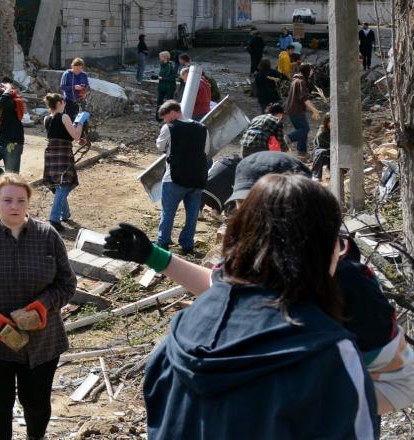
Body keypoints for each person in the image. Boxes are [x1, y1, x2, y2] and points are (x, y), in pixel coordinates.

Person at [106, 153, 414, 420]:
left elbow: (402, 382)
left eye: (261, 209)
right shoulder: (252, 260)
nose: (248, 219)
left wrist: (303, 407)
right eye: (242, 207)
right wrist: (154, 257)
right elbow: (220, 289)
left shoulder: (348, 281)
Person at [0, 176, 76, 440]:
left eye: (21, 200)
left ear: (28, 202)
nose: (14, 206)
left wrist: (41, 307)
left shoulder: (47, 236)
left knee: (36, 403)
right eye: (7, 200)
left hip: (43, 340)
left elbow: (66, 284)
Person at [154, 101, 210, 255]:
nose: (165, 120)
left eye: (165, 116)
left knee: (168, 212)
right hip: (197, 177)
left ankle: (163, 242)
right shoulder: (202, 128)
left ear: (173, 112)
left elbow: (159, 146)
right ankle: (187, 244)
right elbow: (206, 150)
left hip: (174, 177)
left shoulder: (169, 128)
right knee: (192, 214)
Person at [41, 93, 83, 232]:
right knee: (64, 184)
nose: (65, 104)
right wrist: (81, 122)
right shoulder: (64, 117)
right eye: (63, 102)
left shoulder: (46, 118)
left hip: (51, 152)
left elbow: (62, 134)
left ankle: (65, 214)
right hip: (63, 152)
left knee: (59, 184)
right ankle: (54, 218)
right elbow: (76, 136)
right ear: (59, 103)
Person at [0, 78, 25, 175]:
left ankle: (10, 185)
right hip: (1, 143)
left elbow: (3, 100)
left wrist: (8, 88)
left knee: (12, 174)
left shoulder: (12, 103)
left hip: (13, 144)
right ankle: (3, 181)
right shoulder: (0, 108)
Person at [285, 62, 319, 157]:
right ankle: (287, 138)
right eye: (311, 70)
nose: (312, 71)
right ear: (307, 71)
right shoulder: (301, 81)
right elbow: (304, 98)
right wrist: (313, 110)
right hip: (296, 110)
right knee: (305, 129)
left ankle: (302, 153)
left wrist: (312, 108)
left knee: (301, 131)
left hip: (293, 109)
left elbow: (303, 97)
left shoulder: (297, 80)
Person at [156, 51, 177, 120]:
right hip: (162, 86)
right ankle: (159, 117)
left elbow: (173, 78)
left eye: (160, 57)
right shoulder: (162, 65)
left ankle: (169, 118)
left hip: (169, 87)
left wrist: (162, 78)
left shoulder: (170, 66)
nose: (159, 58)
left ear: (165, 57)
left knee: (169, 103)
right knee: (159, 101)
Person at [311, 113, 331, 181]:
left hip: (333, 154)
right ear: (326, 122)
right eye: (330, 122)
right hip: (321, 153)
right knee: (322, 152)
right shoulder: (322, 131)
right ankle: (316, 175)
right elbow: (322, 145)